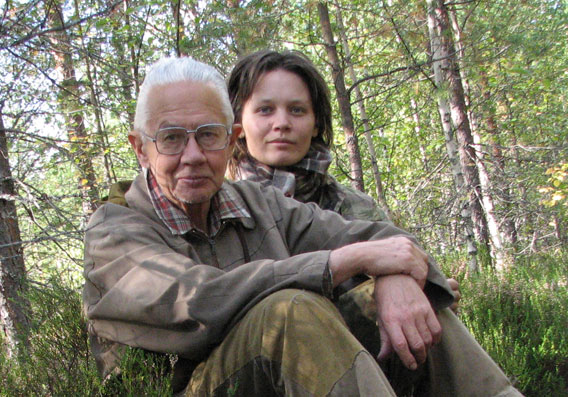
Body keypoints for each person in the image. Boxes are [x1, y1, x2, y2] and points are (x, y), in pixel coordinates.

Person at [83, 56, 522, 396]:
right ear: (140, 149)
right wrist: (339, 262)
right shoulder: (113, 229)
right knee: (289, 309)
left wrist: (395, 277)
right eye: (172, 137)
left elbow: (383, 240)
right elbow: (193, 302)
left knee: (382, 298)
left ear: (232, 139)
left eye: (209, 135)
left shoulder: (258, 203)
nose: (193, 154)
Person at [226, 49, 461, 313]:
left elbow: (406, 259)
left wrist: (409, 286)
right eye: (265, 110)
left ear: (316, 123)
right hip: (258, 346)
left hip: (359, 346)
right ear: (239, 124)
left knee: (430, 307)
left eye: (297, 110)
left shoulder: (354, 206)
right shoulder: (220, 209)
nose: (282, 123)